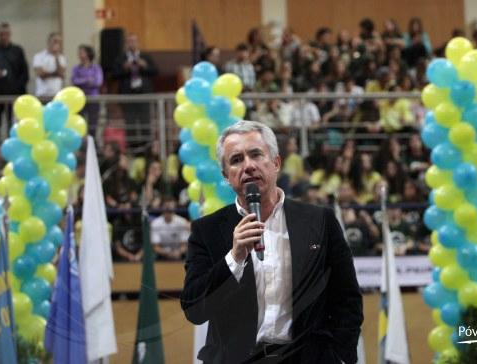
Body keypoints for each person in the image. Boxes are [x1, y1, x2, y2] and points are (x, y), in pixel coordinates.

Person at [181, 120, 363, 363]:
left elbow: (347, 299)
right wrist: (234, 257)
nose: (248, 166)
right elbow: (195, 309)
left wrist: (340, 357)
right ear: (226, 176)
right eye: (236, 160)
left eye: (256, 154)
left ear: (276, 163)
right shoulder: (208, 230)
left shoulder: (319, 221)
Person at [113, 33, 158, 151]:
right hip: (128, 96)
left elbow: (156, 71)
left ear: (138, 43)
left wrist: (145, 66)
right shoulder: (121, 58)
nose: (132, 44)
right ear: (126, 44)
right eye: (129, 41)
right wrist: (124, 68)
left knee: (145, 122)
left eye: (134, 41)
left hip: (144, 94)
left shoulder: (145, 56)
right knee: (130, 123)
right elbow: (114, 75)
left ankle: (147, 149)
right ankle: (132, 150)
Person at [0, 22, 28, 148]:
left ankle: (15, 149)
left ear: (10, 35)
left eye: (6, 34)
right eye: (1, 34)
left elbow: (24, 73)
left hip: (14, 95)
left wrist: (17, 89)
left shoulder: (18, 51)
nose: (3, 36)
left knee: (14, 125)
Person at [71, 44, 103, 138]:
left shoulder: (96, 68)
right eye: (79, 53)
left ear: (88, 54)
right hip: (80, 100)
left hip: (93, 99)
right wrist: (88, 80)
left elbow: (98, 82)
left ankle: (92, 144)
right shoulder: (76, 68)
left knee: (93, 124)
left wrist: (82, 81)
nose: (79, 55)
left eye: (82, 52)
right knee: (79, 123)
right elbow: (74, 80)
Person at [150, 196, 190, 260]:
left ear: (174, 208)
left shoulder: (182, 222)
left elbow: (184, 245)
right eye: (166, 207)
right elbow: (156, 247)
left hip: (179, 254)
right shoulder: (155, 223)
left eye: (170, 208)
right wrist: (168, 253)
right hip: (162, 255)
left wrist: (178, 252)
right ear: (162, 208)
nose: (168, 210)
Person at [33, 32, 66, 97]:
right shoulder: (39, 56)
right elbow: (41, 74)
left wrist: (56, 57)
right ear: (49, 42)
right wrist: (56, 74)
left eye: (59, 42)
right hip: (42, 94)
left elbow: (61, 73)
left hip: (56, 94)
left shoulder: (61, 58)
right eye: (55, 41)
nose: (57, 44)